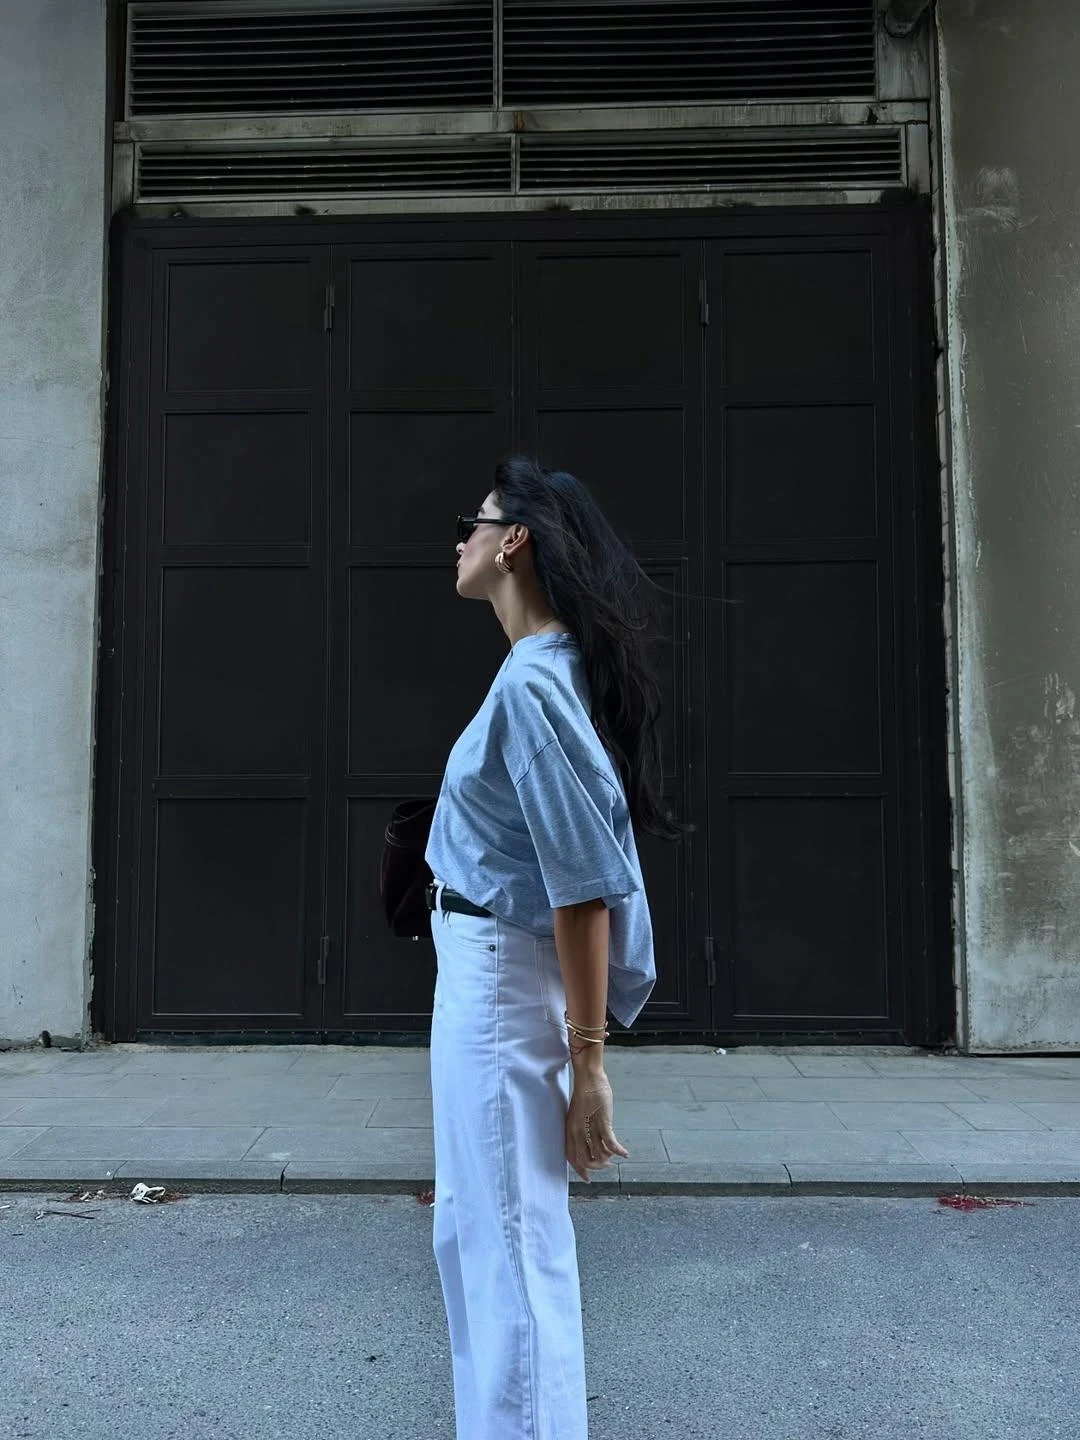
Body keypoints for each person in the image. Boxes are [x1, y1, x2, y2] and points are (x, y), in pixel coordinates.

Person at [424, 455, 678, 1440]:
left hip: (500, 984)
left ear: (514, 540)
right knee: (480, 1234)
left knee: (508, 1249)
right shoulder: (544, 671)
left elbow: (584, 889)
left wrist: (589, 1064)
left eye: (474, 521)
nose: (461, 539)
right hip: (487, 972)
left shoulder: (535, 683)